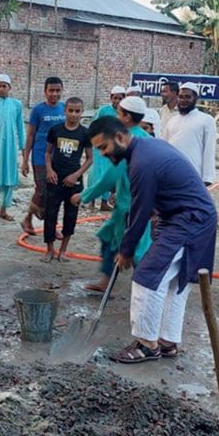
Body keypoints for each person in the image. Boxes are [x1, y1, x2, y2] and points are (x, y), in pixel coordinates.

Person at [85, 116, 217, 364]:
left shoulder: (142, 163)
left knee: (147, 277)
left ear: (121, 138)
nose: (102, 154)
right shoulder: (146, 150)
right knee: (173, 282)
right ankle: (167, 342)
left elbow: (139, 212)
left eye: (104, 147)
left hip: (190, 219)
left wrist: (125, 251)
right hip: (192, 216)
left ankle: (147, 345)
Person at [73, 96, 153, 293]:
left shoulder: (126, 140)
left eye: (118, 113)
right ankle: (107, 280)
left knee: (135, 249)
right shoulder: (148, 138)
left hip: (130, 205)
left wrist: (84, 196)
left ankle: (145, 289)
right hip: (135, 203)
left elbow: (111, 175)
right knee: (110, 238)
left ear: (126, 117)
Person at [42, 97, 92, 262]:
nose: (73, 114)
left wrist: (76, 175)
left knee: (71, 216)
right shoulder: (55, 130)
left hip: (73, 180)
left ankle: (63, 250)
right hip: (55, 178)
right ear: (65, 111)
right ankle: (49, 250)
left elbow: (90, 159)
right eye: (70, 110)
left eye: (77, 111)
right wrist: (49, 170)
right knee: (50, 213)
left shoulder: (85, 133)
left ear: (82, 113)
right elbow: (48, 152)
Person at [20, 77, 65, 236]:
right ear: (45, 92)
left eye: (57, 90)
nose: (54, 94)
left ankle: (50, 224)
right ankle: (30, 218)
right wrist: (25, 160)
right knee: (42, 190)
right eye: (51, 90)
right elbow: (30, 135)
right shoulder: (38, 110)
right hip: (40, 155)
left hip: (59, 157)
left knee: (55, 192)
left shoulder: (65, 109)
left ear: (62, 91)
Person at [0, 73, 25, 222]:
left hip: (10, 146)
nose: (1, 89)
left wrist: (23, 146)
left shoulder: (17, 104)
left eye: (4, 86)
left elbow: (20, 126)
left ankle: (3, 210)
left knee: (9, 177)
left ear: (10, 87)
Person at [165, 82, 218, 186]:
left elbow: (209, 150)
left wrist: (207, 178)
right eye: (180, 97)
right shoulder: (172, 120)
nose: (183, 100)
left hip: (194, 176)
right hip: (171, 174)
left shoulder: (206, 120)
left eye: (187, 97)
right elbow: (165, 148)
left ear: (195, 98)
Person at [88, 85, 126, 211]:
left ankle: (104, 202)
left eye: (120, 98)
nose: (117, 101)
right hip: (99, 147)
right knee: (95, 173)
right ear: (111, 98)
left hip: (113, 148)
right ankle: (91, 201)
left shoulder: (124, 113)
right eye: (115, 98)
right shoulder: (103, 110)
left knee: (108, 173)